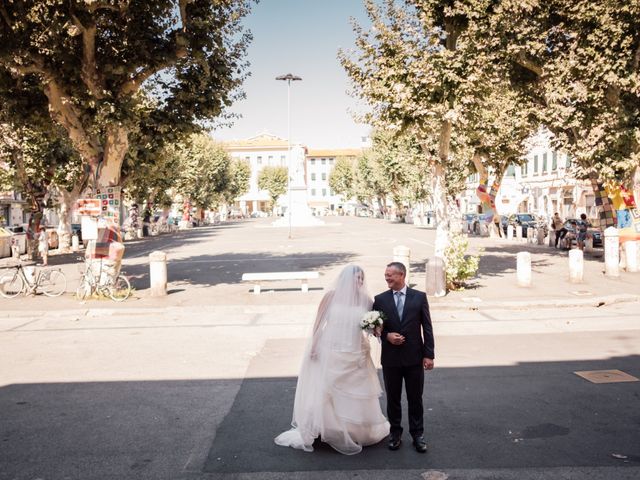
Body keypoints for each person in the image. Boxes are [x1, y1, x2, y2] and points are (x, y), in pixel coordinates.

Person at [274, 265, 390, 455]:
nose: (360, 282)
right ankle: (325, 429)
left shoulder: (366, 300)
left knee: (355, 391)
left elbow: (372, 325)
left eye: (362, 278)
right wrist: (314, 346)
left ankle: (354, 431)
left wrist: (375, 328)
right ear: (346, 279)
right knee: (326, 391)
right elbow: (319, 322)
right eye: (357, 278)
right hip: (330, 349)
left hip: (356, 351)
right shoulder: (330, 297)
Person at [373, 262, 435, 453]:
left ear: (402, 275)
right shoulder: (380, 299)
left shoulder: (419, 297)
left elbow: (427, 327)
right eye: (385, 275)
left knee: (415, 398)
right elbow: (375, 329)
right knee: (393, 398)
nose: (387, 278)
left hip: (414, 358)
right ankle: (395, 434)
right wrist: (386, 336)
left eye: (390, 275)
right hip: (391, 359)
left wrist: (429, 355)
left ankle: (418, 435)